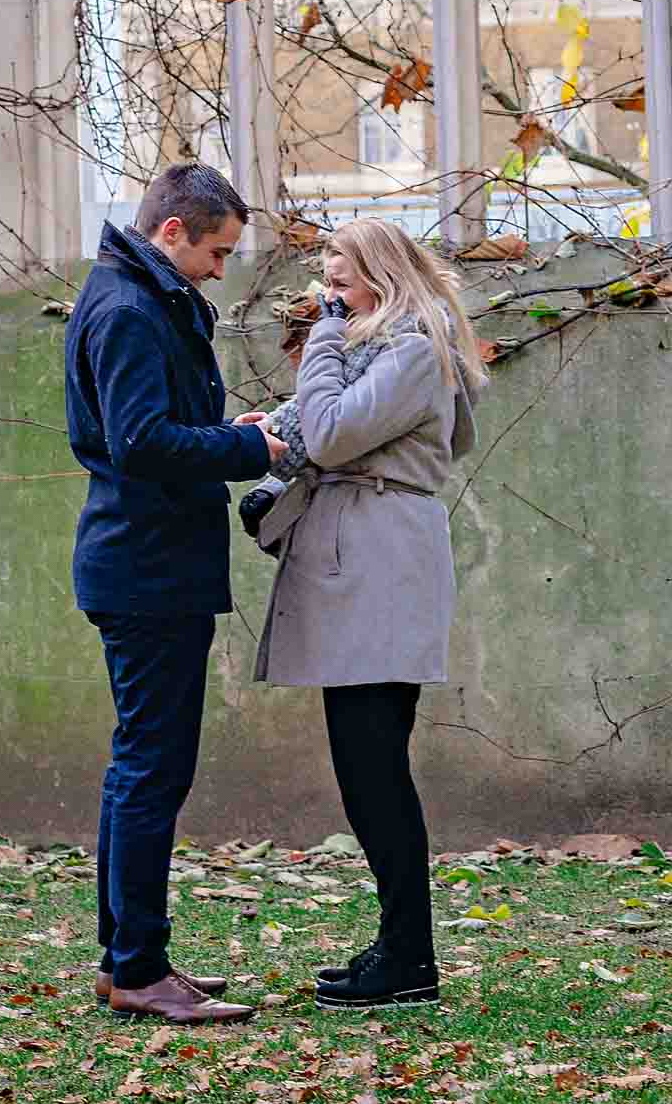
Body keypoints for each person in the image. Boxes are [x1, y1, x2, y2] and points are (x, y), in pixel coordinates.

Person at [238, 217, 485, 1011]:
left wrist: (321, 346)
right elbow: (326, 420)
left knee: (375, 770)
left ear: (382, 273)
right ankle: (400, 942)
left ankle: (411, 957)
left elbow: (339, 431)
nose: (328, 296)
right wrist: (274, 429)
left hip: (379, 561)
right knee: (365, 769)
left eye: (341, 281)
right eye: (327, 282)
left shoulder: (416, 347)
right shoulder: (391, 349)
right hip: (363, 555)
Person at [64, 163, 288, 1024]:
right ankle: (137, 969)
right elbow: (144, 444)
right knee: (152, 772)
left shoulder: (138, 296)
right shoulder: (127, 308)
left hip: (148, 565)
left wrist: (225, 434)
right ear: (172, 233)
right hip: (147, 571)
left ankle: (130, 960)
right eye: (218, 251)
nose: (222, 269)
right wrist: (249, 451)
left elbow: (154, 432)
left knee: (141, 769)